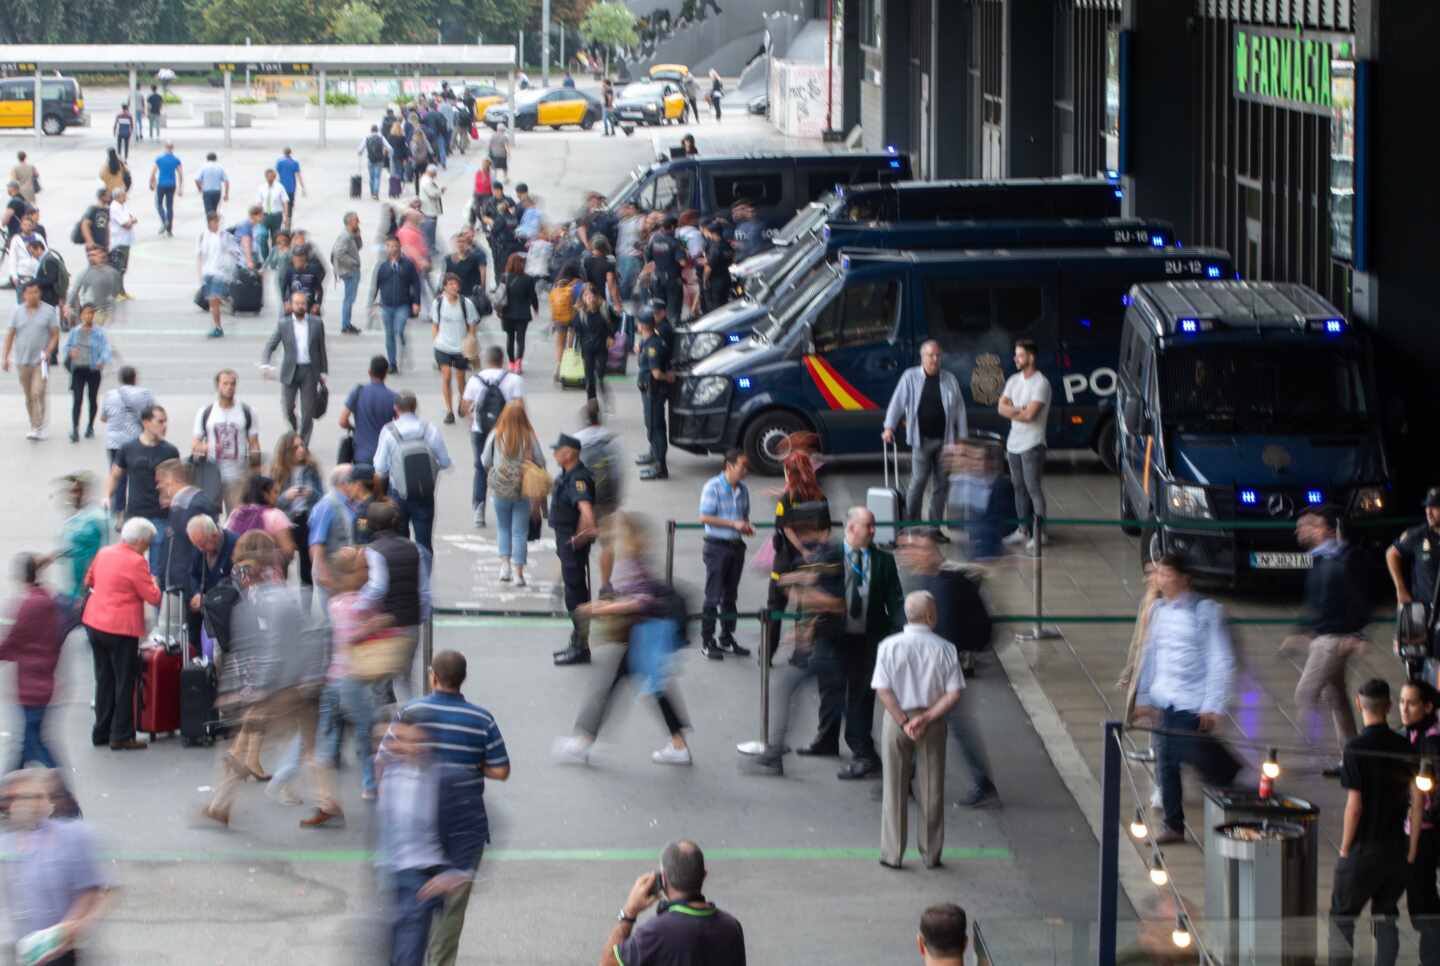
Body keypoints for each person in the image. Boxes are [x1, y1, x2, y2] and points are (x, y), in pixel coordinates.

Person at [390, 650, 509, 963]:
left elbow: (386, 759)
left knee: (411, 915)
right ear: (462, 679)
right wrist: (472, 763)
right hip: (463, 830)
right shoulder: (481, 719)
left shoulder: (411, 712)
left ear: (433, 677)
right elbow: (502, 770)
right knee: (450, 917)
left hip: (418, 828)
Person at [554, 514, 691, 768]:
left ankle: (583, 742)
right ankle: (677, 744)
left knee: (628, 686)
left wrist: (596, 610)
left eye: (621, 535)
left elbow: (638, 602)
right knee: (644, 687)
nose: (616, 540)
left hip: (649, 633)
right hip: (647, 632)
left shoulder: (634, 565)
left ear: (631, 539)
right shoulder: (634, 562)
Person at [1132, 553, 1241, 844]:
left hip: (1191, 700)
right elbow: (1150, 655)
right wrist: (1144, 698)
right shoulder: (1157, 611)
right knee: (1166, 762)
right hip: (1164, 697)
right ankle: (1174, 824)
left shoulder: (1206, 612)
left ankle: (1229, 776)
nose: (1161, 579)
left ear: (1184, 578)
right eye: (1160, 574)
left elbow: (1220, 659)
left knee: (1191, 752)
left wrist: (1213, 704)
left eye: (1167, 573)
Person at [895, 529, 999, 808]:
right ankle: (908, 778)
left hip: (940, 671)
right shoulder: (924, 580)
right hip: (931, 668)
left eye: (914, 549)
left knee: (935, 722)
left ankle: (980, 781)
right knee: (926, 721)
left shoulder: (946, 585)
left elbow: (948, 630)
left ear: (929, 553)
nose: (907, 554)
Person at [748, 500, 846, 775]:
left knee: (838, 695)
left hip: (828, 639)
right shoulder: (823, 552)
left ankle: (777, 752)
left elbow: (835, 602)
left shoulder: (831, 554)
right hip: (819, 639)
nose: (800, 536)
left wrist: (800, 590)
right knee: (835, 694)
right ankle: (822, 744)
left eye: (803, 529)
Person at [374, 721, 483, 965]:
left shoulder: (447, 778)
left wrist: (457, 872)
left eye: (412, 740)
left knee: (408, 953)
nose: (403, 746)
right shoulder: (389, 772)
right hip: (392, 875)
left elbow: (476, 825)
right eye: (397, 739)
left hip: (422, 878)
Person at [812, 507, 906, 780]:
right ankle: (827, 738)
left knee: (861, 697)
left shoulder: (884, 562)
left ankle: (863, 753)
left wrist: (900, 635)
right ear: (852, 528)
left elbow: (895, 601)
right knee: (830, 688)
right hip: (834, 637)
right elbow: (813, 592)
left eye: (874, 525)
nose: (874, 530)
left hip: (868, 640)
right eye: (869, 525)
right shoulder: (830, 556)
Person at [872, 590, 964, 869]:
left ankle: (892, 853)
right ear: (930, 616)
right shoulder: (945, 648)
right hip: (932, 722)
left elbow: (882, 689)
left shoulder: (888, 646)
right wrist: (925, 719)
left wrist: (903, 720)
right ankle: (931, 852)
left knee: (894, 787)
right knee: (931, 788)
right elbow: (953, 693)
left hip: (896, 720)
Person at [1329, 678, 1412, 966]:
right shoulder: (1405, 747)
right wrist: (1411, 849)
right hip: (1396, 850)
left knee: (1342, 918)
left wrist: (1344, 849)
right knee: (1386, 916)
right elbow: (1417, 803)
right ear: (1389, 706)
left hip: (1364, 849)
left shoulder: (1355, 748)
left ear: (1358, 704)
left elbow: (1355, 806)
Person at [1286, 504, 1369, 772]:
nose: (1301, 530)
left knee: (1305, 693)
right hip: (1325, 636)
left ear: (1325, 529)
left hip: (1335, 640)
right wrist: (1302, 630)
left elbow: (1360, 597)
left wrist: (1357, 634)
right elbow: (1317, 601)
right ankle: (1351, 758)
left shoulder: (1346, 559)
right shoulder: (1322, 559)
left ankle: (1306, 753)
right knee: (1337, 699)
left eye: (1308, 525)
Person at [0, 768, 112, 962]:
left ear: (46, 801)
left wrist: (65, 930)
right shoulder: (7, 842)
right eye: (14, 798)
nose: (21, 805)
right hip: (20, 949)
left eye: (31, 797)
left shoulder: (73, 837)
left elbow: (92, 890)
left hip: (59, 951)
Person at [301, 547, 378, 827]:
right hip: (353, 681)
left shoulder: (334, 604)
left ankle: (327, 802)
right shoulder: (361, 605)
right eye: (363, 569)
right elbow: (355, 638)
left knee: (327, 741)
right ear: (351, 574)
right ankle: (373, 784)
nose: (368, 574)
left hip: (333, 680)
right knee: (368, 733)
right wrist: (377, 625)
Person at [81, 516, 162, 751]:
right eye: (147, 543)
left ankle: (101, 731)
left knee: (104, 678)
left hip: (95, 623)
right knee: (124, 681)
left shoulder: (105, 552)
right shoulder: (137, 562)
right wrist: (154, 582)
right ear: (139, 541)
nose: (148, 548)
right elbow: (153, 597)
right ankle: (122, 734)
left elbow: (89, 580)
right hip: (120, 629)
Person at [601, 840, 747, 965]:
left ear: (663, 879)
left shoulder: (656, 933)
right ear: (704, 875)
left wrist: (629, 913)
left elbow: (607, 963)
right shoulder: (732, 927)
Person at [883, 341, 968, 535]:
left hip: (945, 441)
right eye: (930, 355)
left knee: (941, 485)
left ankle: (934, 528)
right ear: (923, 357)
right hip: (921, 440)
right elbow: (897, 402)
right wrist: (889, 427)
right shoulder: (910, 377)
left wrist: (962, 438)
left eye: (938, 355)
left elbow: (960, 410)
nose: (935, 359)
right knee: (918, 482)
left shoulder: (949, 379)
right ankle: (912, 525)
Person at [763, 451, 830, 665]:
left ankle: (767, 654)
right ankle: (800, 656)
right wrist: (815, 550)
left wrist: (801, 549)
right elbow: (826, 529)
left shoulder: (787, 498)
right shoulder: (820, 497)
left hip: (785, 562)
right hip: (810, 563)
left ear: (789, 472)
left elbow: (785, 527)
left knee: (775, 608)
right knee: (804, 609)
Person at [0, 555, 65, 770]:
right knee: (26, 743)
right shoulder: (47, 600)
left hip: (31, 686)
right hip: (43, 682)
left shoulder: (29, 605)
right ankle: (6, 793)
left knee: (32, 744)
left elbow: (12, 642)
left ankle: (62, 795)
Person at [359, 501, 428, 700]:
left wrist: (357, 606)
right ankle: (410, 718)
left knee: (378, 683)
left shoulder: (374, 551)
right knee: (404, 679)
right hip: (411, 622)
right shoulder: (415, 549)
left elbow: (377, 587)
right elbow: (424, 591)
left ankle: (384, 726)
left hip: (385, 624)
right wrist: (419, 616)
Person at [374, 390, 451, 553]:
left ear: (396, 408)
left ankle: (407, 576)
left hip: (398, 495)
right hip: (424, 493)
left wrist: (381, 495)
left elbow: (380, 468)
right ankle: (424, 576)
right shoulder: (429, 429)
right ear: (415, 406)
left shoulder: (388, 432)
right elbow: (444, 462)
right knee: (424, 543)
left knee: (400, 543)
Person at [106, 405, 178, 574]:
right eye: (160, 421)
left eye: (165, 421)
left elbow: (177, 482)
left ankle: (155, 597)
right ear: (146, 423)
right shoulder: (128, 448)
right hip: (135, 516)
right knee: (129, 566)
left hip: (161, 516)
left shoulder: (170, 451)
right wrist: (108, 497)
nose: (164, 425)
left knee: (157, 569)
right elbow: (115, 475)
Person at [479, 400, 545, 585]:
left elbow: (485, 460)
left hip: (501, 488)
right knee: (519, 532)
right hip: (522, 489)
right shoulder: (528, 436)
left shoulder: (496, 434)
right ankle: (519, 573)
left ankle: (505, 567)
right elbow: (540, 460)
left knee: (503, 527)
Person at [697, 449, 754, 660]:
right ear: (729, 466)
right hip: (716, 547)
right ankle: (707, 641)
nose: (746, 471)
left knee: (731, 595)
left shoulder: (743, 490)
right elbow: (704, 517)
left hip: (736, 546)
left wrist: (745, 527)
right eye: (743, 466)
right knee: (713, 594)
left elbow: (744, 516)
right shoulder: (713, 487)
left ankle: (727, 637)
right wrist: (733, 523)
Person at [998, 338, 1051, 552]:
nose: (1016, 358)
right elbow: (1001, 408)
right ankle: (1022, 530)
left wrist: (1016, 410)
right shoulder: (1012, 380)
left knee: (1033, 488)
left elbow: (1031, 415)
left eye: (1020, 355)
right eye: (1016, 354)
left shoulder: (1041, 383)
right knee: (1018, 488)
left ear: (1031, 357)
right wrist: (1020, 409)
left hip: (1033, 444)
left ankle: (1040, 533)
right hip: (1014, 444)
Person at [551, 433, 600, 666]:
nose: (554, 454)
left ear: (569, 453)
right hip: (566, 541)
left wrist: (579, 537)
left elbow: (587, 512)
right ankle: (577, 641)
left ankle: (581, 646)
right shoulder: (568, 475)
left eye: (558, 450)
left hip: (570, 543)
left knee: (576, 595)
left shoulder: (577, 479)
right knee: (575, 592)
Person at [1401, 679, 1440, 965]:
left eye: (1411, 703)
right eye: (1402, 701)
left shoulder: (1431, 742)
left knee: (1422, 899)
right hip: (1419, 826)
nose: (1404, 708)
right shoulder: (1414, 734)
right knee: (1421, 897)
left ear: (1427, 707)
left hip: (1425, 830)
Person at [462, 347, 524, 528]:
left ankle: (479, 510)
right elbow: (520, 408)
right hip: (507, 430)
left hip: (480, 429)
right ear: (502, 359)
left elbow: (465, 406)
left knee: (480, 468)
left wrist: (471, 419)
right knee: (506, 466)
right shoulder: (514, 380)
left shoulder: (475, 380)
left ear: (486, 360)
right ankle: (506, 508)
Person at [263, 291, 329, 445]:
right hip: (290, 371)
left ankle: (303, 444)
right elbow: (271, 345)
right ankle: (295, 429)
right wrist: (265, 363)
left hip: (309, 372)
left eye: (303, 303)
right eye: (297, 303)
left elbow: (321, 348)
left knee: (308, 412)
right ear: (291, 305)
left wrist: (323, 371)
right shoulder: (284, 324)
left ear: (306, 305)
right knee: (288, 408)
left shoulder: (317, 323)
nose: (300, 306)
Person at [193, 368, 259, 513]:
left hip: (238, 476)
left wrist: (254, 469)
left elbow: (254, 443)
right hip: (212, 476)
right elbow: (195, 444)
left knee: (236, 518)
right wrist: (210, 447)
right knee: (210, 518)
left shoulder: (247, 411)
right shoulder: (206, 412)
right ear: (218, 386)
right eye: (225, 384)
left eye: (232, 384)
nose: (229, 387)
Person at [3, 281, 60, 440]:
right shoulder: (17, 312)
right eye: (29, 293)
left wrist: (49, 350)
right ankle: (34, 424)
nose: (32, 296)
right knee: (29, 396)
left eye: (35, 292)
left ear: (39, 293)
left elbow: (55, 334)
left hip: (40, 361)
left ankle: (40, 426)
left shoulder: (48, 311)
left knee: (37, 392)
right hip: (22, 360)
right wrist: (5, 357)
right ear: (24, 295)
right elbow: (10, 335)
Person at [185, 514, 236, 655]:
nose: (200, 549)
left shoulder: (234, 544)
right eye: (196, 545)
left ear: (214, 535)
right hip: (205, 609)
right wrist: (196, 592)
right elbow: (193, 573)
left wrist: (207, 598)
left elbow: (234, 583)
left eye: (202, 544)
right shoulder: (200, 545)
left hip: (224, 611)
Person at [370, 236, 422, 374]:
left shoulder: (408, 264)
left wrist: (417, 302)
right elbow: (375, 285)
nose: (392, 249)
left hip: (402, 305)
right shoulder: (382, 266)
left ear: (399, 247)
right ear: (386, 248)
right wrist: (372, 304)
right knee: (389, 335)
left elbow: (416, 283)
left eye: (394, 246)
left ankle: (403, 345)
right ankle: (392, 363)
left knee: (398, 330)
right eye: (389, 246)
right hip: (386, 306)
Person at [61, 303, 112, 443]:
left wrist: (102, 360)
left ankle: (90, 426)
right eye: (86, 313)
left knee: (92, 398)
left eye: (91, 313)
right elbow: (66, 347)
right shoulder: (75, 331)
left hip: (93, 370)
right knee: (77, 400)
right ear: (81, 315)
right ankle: (75, 429)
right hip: (78, 370)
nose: (89, 316)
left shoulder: (99, 332)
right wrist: (71, 352)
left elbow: (106, 349)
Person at [432, 273, 478, 423]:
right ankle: (449, 411)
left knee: (460, 379)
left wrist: (470, 341)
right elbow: (435, 324)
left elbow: (472, 324)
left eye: (455, 284)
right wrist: (435, 341)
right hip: (443, 346)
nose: (453, 286)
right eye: (450, 284)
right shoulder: (438, 303)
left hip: (460, 348)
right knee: (446, 376)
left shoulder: (466, 303)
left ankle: (461, 403)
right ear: (444, 286)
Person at [636, 310, 676, 481]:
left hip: (654, 391)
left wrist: (669, 377)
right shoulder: (648, 341)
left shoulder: (653, 346)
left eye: (638, 323)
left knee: (656, 428)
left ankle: (661, 467)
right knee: (650, 424)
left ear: (644, 326)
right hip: (648, 390)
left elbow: (657, 373)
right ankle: (654, 454)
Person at [341, 355, 399, 466]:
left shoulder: (358, 392)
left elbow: (342, 421)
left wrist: (353, 428)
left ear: (369, 372)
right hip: (384, 457)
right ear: (386, 374)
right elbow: (400, 424)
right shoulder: (394, 397)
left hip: (361, 456)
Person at [1388, 486, 1440, 610]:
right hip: (1426, 611)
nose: (1428, 511)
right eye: (1427, 507)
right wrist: (1400, 589)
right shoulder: (1418, 535)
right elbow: (1391, 554)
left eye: (1434, 507)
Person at [572, 283, 617, 406]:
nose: (590, 298)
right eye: (586, 296)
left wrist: (611, 336)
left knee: (600, 372)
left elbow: (615, 322)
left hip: (601, 348)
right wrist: (575, 351)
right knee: (589, 378)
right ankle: (592, 403)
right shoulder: (580, 314)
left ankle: (602, 386)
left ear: (597, 297)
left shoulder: (604, 310)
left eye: (592, 295)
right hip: (587, 350)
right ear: (583, 299)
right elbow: (576, 332)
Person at [196, 211, 235, 339]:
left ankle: (218, 327)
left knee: (214, 300)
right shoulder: (203, 236)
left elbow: (233, 252)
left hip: (220, 272)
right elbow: (200, 255)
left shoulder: (224, 236)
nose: (216, 224)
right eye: (214, 221)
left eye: (217, 221)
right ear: (209, 222)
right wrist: (199, 274)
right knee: (213, 303)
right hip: (208, 272)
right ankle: (218, 323)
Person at [498, 252, 538, 372]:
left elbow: (500, 294)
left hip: (507, 313)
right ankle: (518, 363)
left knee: (510, 338)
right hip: (523, 314)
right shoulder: (528, 279)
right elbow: (533, 296)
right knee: (521, 339)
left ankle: (511, 363)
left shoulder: (504, 277)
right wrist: (536, 308)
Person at [643, 216, 688, 322]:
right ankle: (673, 329)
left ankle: (661, 328)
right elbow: (683, 262)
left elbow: (647, 258)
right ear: (672, 227)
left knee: (659, 306)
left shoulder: (653, 239)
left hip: (657, 278)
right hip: (672, 279)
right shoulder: (675, 242)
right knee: (673, 307)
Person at [67, 246, 121, 328]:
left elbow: (115, 293)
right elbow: (74, 290)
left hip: (103, 311)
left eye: (94, 255)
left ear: (102, 255)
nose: (91, 258)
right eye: (89, 255)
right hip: (88, 310)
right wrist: (68, 305)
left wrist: (113, 311)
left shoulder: (111, 273)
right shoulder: (84, 273)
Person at [278, 244, 326, 318]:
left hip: (309, 304)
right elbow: (283, 289)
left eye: (301, 259)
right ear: (293, 259)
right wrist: (286, 302)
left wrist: (317, 304)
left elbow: (319, 290)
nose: (298, 262)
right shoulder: (289, 271)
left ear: (305, 258)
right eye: (296, 259)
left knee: (316, 321)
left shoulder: (312, 270)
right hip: (294, 304)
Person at [107, 187, 137, 300]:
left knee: (123, 268)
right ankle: (116, 292)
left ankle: (122, 291)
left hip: (126, 240)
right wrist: (132, 221)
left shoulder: (123, 206)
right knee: (118, 268)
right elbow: (126, 223)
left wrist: (132, 220)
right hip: (118, 242)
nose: (126, 197)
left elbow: (131, 218)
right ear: (118, 197)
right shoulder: (115, 207)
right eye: (124, 195)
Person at [148, 141, 182, 237]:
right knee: (170, 207)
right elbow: (180, 174)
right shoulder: (176, 160)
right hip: (172, 185)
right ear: (173, 148)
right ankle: (169, 230)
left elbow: (153, 172)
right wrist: (180, 187)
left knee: (158, 204)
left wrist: (151, 183)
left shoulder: (159, 159)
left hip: (161, 184)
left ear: (165, 147)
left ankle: (164, 221)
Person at [256, 169, 289, 260]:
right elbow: (259, 203)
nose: (269, 178)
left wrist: (286, 216)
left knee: (275, 238)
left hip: (276, 216)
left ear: (274, 177)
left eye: (271, 176)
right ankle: (266, 258)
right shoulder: (261, 188)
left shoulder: (280, 187)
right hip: (264, 216)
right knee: (262, 237)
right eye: (268, 176)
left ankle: (274, 258)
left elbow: (285, 201)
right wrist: (258, 216)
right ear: (265, 177)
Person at [359, 124, 392, 201]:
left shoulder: (367, 138)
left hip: (370, 160)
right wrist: (386, 153)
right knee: (377, 177)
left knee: (372, 177)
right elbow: (390, 148)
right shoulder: (381, 138)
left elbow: (360, 149)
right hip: (380, 160)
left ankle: (372, 193)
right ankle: (376, 193)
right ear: (378, 130)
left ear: (371, 130)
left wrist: (360, 153)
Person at [276, 147, 305, 227]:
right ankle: (288, 219)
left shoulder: (279, 162)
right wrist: (303, 187)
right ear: (290, 153)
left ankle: (283, 219)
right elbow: (298, 175)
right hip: (291, 187)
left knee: (281, 203)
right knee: (290, 205)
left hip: (281, 186)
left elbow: (277, 173)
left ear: (284, 153)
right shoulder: (294, 163)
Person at [194, 152, 229, 217]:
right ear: (216, 159)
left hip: (207, 192)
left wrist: (200, 188)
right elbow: (226, 181)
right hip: (217, 192)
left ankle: (211, 224)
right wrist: (226, 194)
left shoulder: (203, 167)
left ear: (207, 159)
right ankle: (214, 223)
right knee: (214, 210)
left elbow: (196, 179)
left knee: (208, 211)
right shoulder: (220, 167)